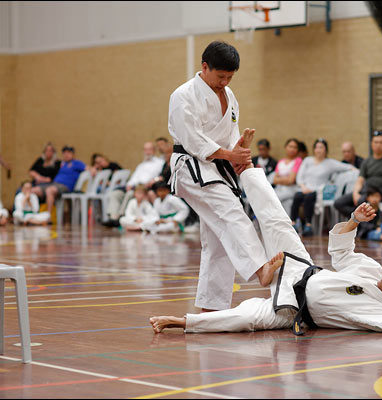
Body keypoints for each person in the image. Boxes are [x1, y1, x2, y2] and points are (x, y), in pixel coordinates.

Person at [149, 166, 382, 341]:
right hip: (300, 269)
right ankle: (246, 167)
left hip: (292, 309)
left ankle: (180, 321)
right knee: (279, 221)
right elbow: (342, 251)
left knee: (245, 319)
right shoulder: (372, 270)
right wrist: (353, 220)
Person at [167, 40, 277, 311]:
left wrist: (239, 153)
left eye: (230, 77)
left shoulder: (230, 95)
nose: (225, 82)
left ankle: (211, 307)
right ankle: (261, 267)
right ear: (204, 67)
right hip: (190, 166)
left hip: (217, 167)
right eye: (221, 76)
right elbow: (193, 141)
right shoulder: (183, 95)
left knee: (218, 239)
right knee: (231, 211)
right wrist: (231, 156)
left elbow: (229, 137)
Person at [291, 138, 355, 236]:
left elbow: (345, 166)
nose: (318, 150)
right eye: (316, 147)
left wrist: (356, 170)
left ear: (325, 150)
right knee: (297, 196)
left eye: (321, 147)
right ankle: (293, 223)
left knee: (309, 197)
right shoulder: (308, 160)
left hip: (318, 190)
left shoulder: (330, 163)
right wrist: (303, 186)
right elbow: (300, 176)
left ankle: (308, 225)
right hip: (305, 188)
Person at [334, 131, 382, 219]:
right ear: (371, 144)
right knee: (339, 203)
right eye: (376, 142)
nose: (378, 145)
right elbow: (360, 180)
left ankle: (365, 225)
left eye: (381, 142)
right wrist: (356, 193)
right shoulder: (367, 161)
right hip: (366, 191)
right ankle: (363, 221)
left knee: (362, 202)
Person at [104, 142, 164, 227]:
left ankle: (120, 216)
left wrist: (152, 181)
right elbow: (133, 178)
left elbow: (160, 176)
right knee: (115, 194)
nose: (147, 152)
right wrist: (129, 185)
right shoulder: (141, 165)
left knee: (130, 194)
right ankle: (113, 217)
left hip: (144, 188)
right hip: (133, 187)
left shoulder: (159, 163)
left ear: (154, 151)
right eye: (145, 150)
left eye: (149, 149)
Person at [31, 145, 86, 215]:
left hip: (65, 186)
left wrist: (94, 170)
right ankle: (33, 214)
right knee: (34, 190)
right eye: (64, 153)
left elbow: (88, 169)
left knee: (49, 190)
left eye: (69, 153)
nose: (66, 154)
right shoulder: (61, 163)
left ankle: (48, 217)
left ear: (73, 154)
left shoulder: (77, 163)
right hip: (54, 184)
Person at [273, 138, 303, 216]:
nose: (292, 149)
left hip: (291, 189)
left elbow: (291, 180)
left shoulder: (298, 161)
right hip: (279, 189)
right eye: (290, 146)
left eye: (295, 147)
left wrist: (280, 179)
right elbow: (274, 180)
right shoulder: (281, 161)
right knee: (286, 203)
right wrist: (286, 179)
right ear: (286, 147)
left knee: (273, 199)